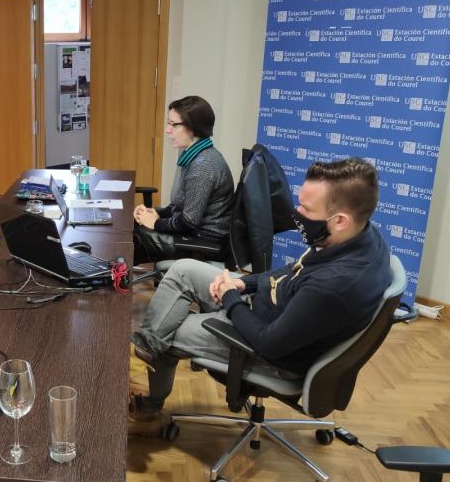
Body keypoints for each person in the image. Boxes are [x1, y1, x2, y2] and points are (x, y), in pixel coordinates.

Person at [130, 157, 392, 420]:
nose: (297, 213)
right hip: (262, 309)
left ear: (340, 221)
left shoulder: (334, 285)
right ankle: (146, 349)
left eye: (306, 209)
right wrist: (245, 282)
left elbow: (269, 343)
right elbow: (294, 269)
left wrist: (231, 297)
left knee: (169, 326)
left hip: (266, 351)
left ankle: (148, 398)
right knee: (182, 269)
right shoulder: (362, 236)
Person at [133, 96, 234, 264]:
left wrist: (156, 223)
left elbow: (189, 222)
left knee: (134, 229)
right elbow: (180, 205)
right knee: (137, 221)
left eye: (173, 124)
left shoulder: (203, 166)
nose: (167, 130)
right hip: (194, 233)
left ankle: (117, 280)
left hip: (200, 241)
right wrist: (156, 213)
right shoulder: (194, 154)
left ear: (193, 128)